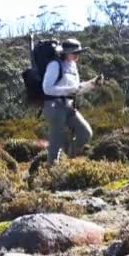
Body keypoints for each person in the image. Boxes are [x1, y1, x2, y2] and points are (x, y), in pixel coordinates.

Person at [42, 38, 102, 166]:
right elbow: (47, 89)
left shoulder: (73, 66)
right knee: (56, 143)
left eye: (78, 53)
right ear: (66, 53)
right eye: (75, 53)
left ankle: (68, 157)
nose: (77, 55)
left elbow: (76, 89)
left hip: (68, 106)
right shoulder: (55, 65)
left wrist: (92, 84)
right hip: (54, 107)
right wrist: (69, 90)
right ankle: (51, 172)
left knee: (85, 133)